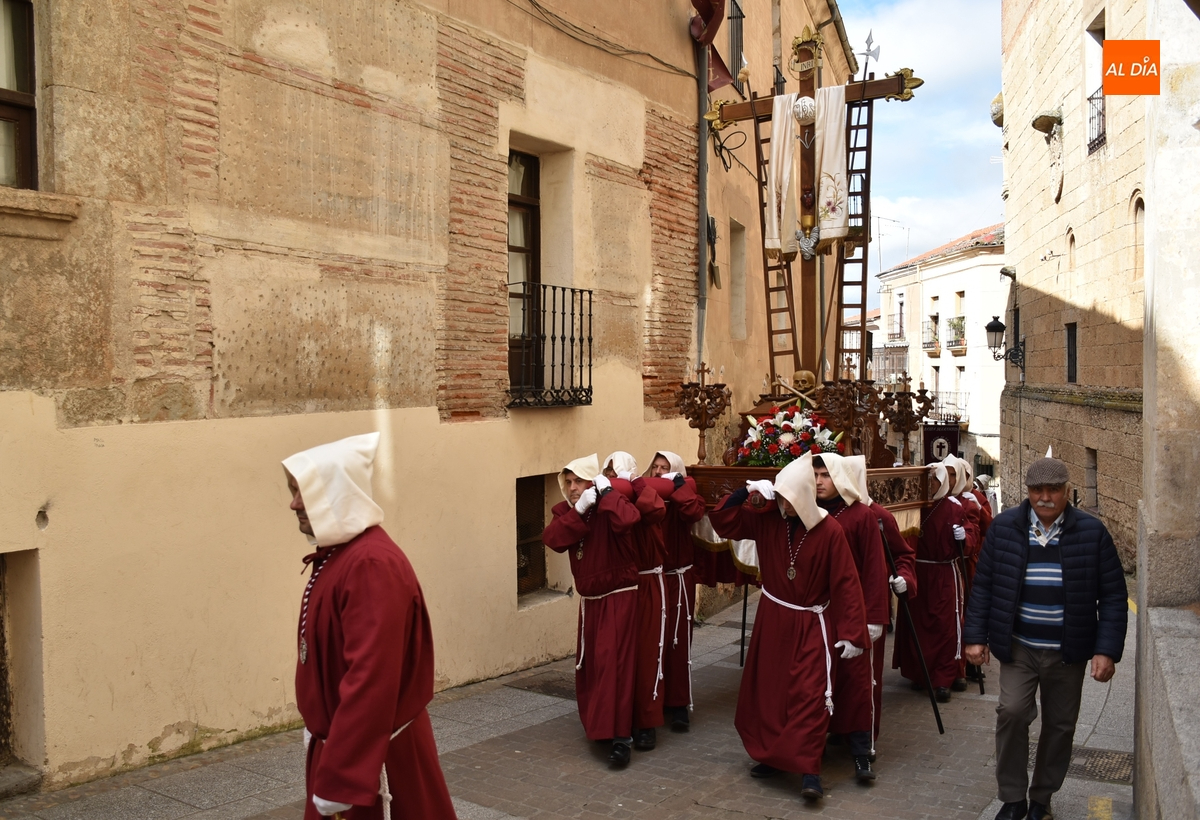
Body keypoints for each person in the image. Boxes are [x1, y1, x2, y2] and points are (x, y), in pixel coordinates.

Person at [282, 433, 456, 819]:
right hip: (346, 749)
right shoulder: (341, 555)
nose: (293, 504)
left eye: (302, 491)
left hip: (372, 762)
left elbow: (371, 678)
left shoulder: (370, 565)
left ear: (335, 492)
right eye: (292, 490)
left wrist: (342, 776)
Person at [964, 456, 1127, 820]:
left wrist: (1106, 650)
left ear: (1067, 491)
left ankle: (1041, 798)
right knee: (1012, 712)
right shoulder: (1005, 527)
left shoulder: (1092, 532)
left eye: (1053, 489)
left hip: (1068, 650)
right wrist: (975, 637)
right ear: (1028, 491)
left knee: (1060, 725)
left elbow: (1114, 595)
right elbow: (984, 586)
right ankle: (1012, 798)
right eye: (1037, 490)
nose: (1045, 497)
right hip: (1019, 645)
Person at [708, 453, 868, 802]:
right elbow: (723, 521)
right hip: (774, 619)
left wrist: (852, 633)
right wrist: (744, 491)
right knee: (770, 693)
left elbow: (846, 584)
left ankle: (810, 770)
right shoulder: (768, 520)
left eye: (791, 497)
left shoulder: (831, 531)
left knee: (810, 695)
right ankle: (773, 756)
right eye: (780, 497)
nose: (784, 504)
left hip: (812, 622)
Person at [542, 454, 643, 766]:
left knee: (617, 667)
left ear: (592, 481)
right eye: (568, 482)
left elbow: (629, 519)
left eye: (579, 481)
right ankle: (601, 727)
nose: (573, 488)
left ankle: (622, 737)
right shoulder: (568, 512)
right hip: (591, 603)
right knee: (595, 667)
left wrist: (606, 492)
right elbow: (553, 539)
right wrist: (579, 510)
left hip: (619, 598)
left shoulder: (610, 504)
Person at [812, 454, 889, 783]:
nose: (818, 481)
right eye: (815, 475)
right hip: (818, 612)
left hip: (853, 611)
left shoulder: (861, 515)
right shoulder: (807, 511)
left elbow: (874, 568)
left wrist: (874, 617)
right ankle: (811, 746)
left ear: (840, 478)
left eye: (825, 475)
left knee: (856, 683)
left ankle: (861, 751)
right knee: (817, 681)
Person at [843, 455, 918, 742]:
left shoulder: (878, 516)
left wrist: (904, 578)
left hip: (867, 603)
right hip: (834, 605)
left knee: (864, 675)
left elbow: (902, 554)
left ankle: (862, 736)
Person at [602, 451, 667, 752]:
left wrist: (635, 483)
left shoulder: (643, 495)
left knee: (646, 655)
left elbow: (654, 510)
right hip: (618, 589)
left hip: (646, 585)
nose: (613, 478)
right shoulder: (605, 498)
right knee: (618, 658)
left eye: (618, 473)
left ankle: (646, 722)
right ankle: (619, 721)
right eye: (609, 472)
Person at [893, 460, 967, 702]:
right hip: (917, 572)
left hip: (942, 573)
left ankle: (943, 679)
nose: (930, 484)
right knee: (918, 624)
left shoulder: (954, 507)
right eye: (927, 479)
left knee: (943, 627)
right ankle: (920, 673)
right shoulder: (912, 505)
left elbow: (970, 539)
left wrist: (964, 538)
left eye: (935, 480)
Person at [646, 450, 707, 732]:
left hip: (679, 580)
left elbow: (694, 512)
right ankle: (653, 700)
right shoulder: (647, 496)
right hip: (654, 580)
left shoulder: (687, 496)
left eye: (665, 467)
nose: (659, 472)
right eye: (655, 467)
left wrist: (679, 487)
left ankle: (678, 703)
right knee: (653, 642)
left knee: (677, 642)